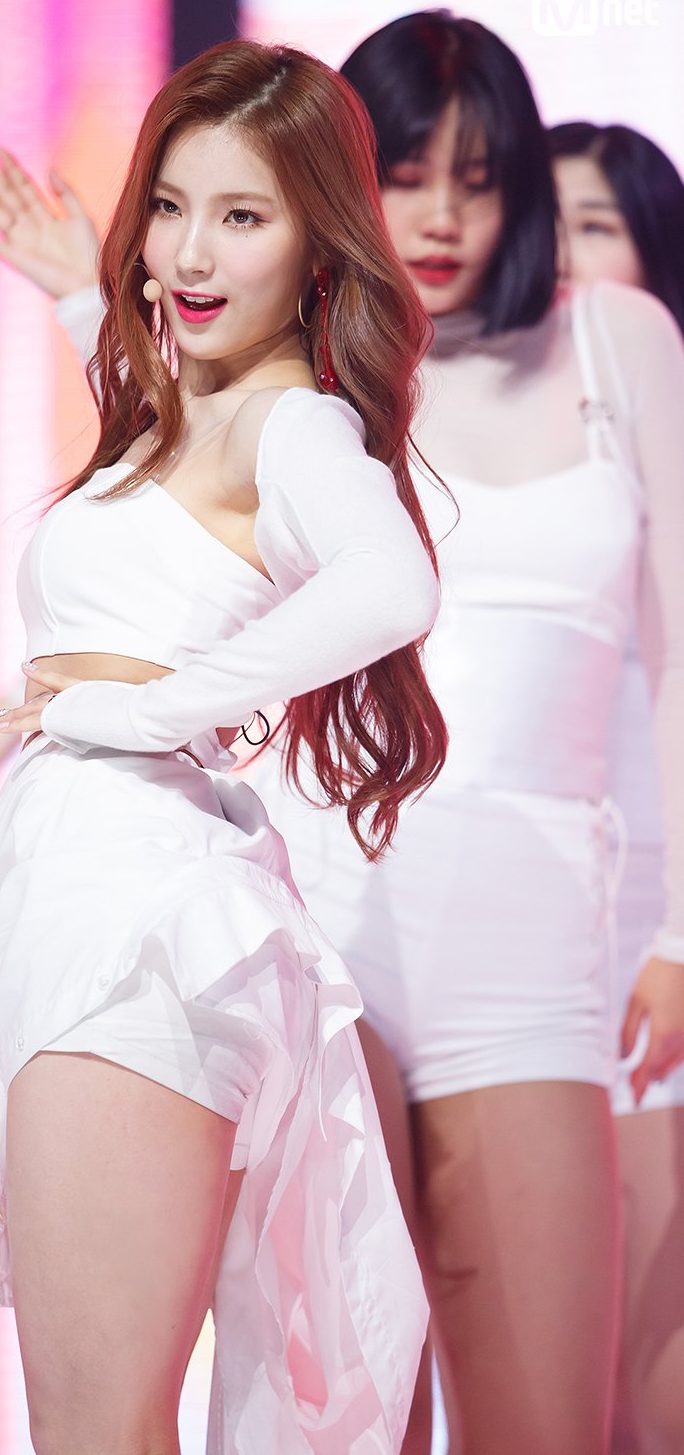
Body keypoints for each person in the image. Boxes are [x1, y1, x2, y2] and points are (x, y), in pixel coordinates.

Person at [0, 13, 684, 1455]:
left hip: (531, 937)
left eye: (476, 179)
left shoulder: (606, 342)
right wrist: (90, 299)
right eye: (405, 174)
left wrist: (679, 922)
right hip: (317, 908)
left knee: (551, 1414)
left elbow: (665, 651)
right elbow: (184, 468)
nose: (441, 214)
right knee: (325, 1416)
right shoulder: (305, 386)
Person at [0, 38, 448, 1455]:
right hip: (90, 898)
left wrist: (151, 710)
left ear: (318, 239)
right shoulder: (185, 414)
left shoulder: (292, 424)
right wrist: (79, 294)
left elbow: (391, 585)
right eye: (171, 205)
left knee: (97, 1428)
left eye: (243, 215)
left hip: (137, 928)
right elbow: (154, 503)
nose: (191, 252)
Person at [549, 119, 684, 1455]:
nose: (560, 255)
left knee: (651, 1369)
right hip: (531, 938)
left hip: (658, 929)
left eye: (594, 226)